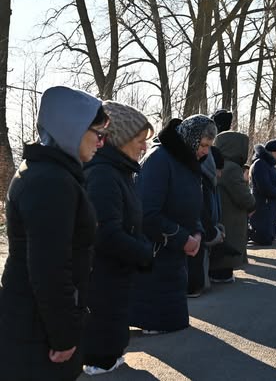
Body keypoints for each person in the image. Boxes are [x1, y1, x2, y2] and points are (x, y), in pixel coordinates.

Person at [0, 86, 108, 380]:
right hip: (37, 328)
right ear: (71, 129)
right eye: (98, 134)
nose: (102, 143)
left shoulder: (47, 171)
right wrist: (63, 336)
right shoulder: (52, 182)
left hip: (32, 318)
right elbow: (50, 269)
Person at [81, 101, 154, 375]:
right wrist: (144, 252)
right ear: (120, 139)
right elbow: (106, 233)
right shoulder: (103, 174)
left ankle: (108, 357)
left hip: (115, 277)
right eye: (139, 140)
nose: (144, 147)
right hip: (102, 279)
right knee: (103, 345)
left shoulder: (120, 171)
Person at [130, 115, 217, 333]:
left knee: (174, 323)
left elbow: (193, 206)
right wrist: (181, 237)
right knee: (160, 322)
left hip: (177, 254)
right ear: (191, 139)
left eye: (209, 146)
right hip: (156, 254)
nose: (206, 151)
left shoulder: (187, 162)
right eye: (204, 145)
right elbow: (147, 212)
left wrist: (197, 232)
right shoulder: (159, 160)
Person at [211, 131, 256, 275]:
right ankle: (223, 273)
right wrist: (252, 203)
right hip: (231, 216)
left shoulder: (216, 163)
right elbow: (243, 196)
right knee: (230, 245)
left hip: (221, 212)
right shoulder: (232, 168)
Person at [187, 145, 226, 295]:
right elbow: (202, 213)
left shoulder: (207, 181)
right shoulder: (201, 181)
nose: (220, 174)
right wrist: (214, 233)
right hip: (196, 235)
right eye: (219, 169)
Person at [249, 139, 276, 245]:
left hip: (271, 205)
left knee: (269, 238)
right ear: (271, 152)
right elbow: (265, 188)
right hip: (263, 204)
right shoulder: (260, 164)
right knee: (264, 239)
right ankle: (244, 234)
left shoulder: (270, 166)